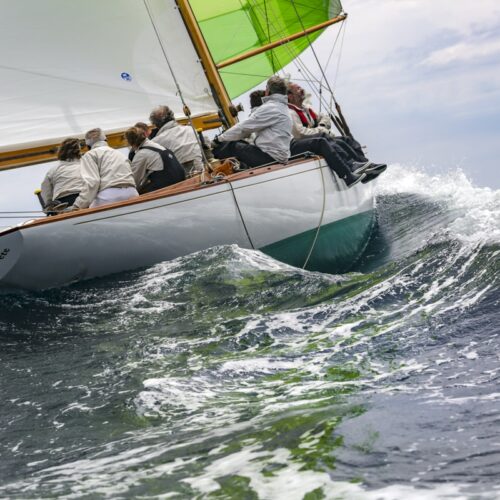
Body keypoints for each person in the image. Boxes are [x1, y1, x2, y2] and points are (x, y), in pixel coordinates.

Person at [212, 76, 292, 168]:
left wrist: (217, 140)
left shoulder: (270, 107)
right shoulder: (283, 107)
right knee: (242, 145)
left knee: (230, 146)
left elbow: (244, 128)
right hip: (280, 157)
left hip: (270, 158)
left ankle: (213, 165)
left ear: (268, 91)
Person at [72, 128, 138, 209]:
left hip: (109, 195)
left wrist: (76, 206)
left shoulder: (90, 155)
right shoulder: (119, 153)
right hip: (132, 193)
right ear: (106, 140)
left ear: (88, 146)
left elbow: (92, 182)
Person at [125, 126, 185, 193]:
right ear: (144, 135)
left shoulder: (141, 155)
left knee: (139, 192)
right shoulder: (156, 145)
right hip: (181, 179)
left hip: (168, 184)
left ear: (130, 142)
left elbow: (134, 181)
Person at [149, 105, 204, 176]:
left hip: (181, 181)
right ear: (172, 116)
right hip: (201, 173)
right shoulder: (190, 129)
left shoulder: (155, 142)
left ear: (155, 124)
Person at [40, 138, 84, 210]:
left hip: (62, 203)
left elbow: (46, 190)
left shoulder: (53, 170)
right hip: (83, 198)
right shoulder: (85, 164)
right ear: (78, 151)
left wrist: (48, 204)